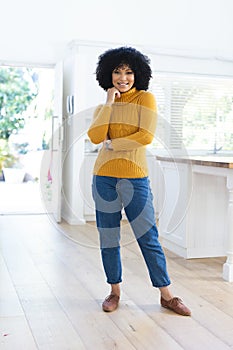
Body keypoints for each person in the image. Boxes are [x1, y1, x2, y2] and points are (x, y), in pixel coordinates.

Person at [87, 46, 191, 316]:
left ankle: (166, 295)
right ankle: (114, 291)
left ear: (138, 74)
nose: (123, 77)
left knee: (148, 236)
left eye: (129, 71)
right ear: (108, 75)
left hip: (136, 178)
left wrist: (114, 145)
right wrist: (109, 103)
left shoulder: (145, 99)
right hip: (104, 179)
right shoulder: (104, 106)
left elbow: (145, 137)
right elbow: (96, 137)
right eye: (117, 71)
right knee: (108, 237)